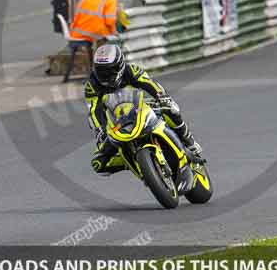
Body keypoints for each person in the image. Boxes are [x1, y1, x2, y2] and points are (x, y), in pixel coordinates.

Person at [85, 44, 202, 175]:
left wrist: (162, 97)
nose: (104, 75)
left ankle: (189, 141)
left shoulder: (131, 71)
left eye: (109, 71)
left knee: (171, 109)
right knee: (99, 162)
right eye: (100, 71)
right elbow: (94, 110)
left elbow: (150, 85)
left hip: (141, 106)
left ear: (120, 66)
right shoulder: (92, 85)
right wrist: (101, 129)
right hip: (115, 118)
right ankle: (130, 162)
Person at [63, 0, 119, 83]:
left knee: (98, 43)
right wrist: (114, 32)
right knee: (106, 42)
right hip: (95, 33)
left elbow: (76, 15)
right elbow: (109, 21)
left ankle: (95, 71)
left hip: (77, 33)